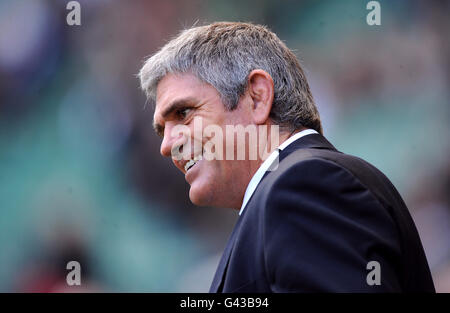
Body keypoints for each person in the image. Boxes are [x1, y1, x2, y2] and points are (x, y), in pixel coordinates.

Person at [138, 22, 435, 292]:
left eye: (184, 113)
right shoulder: (287, 195)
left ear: (257, 97)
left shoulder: (304, 185)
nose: (166, 145)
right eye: (162, 130)